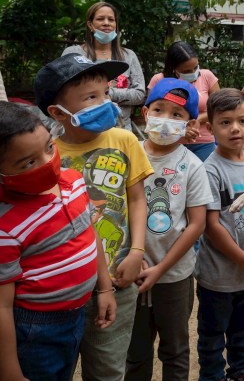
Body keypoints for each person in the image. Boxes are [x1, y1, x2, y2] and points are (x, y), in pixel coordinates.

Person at [34, 53, 153, 381]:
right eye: (90, 97)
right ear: (58, 112)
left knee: (107, 369)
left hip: (118, 278)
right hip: (65, 287)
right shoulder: (48, 156)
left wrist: (138, 251)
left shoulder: (126, 140)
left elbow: (137, 198)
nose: (105, 102)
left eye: (105, 93)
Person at [0, 102, 116, 381]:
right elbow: (2, 306)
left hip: (77, 314)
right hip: (35, 328)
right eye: (28, 162)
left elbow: (92, 235)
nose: (47, 162)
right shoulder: (5, 225)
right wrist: (9, 370)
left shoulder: (74, 182)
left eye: (49, 148)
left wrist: (105, 288)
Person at [125, 78, 212, 380]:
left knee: (175, 350)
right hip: (129, 273)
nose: (166, 120)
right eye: (159, 110)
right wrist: (132, 257)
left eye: (177, 115)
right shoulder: (128, 153)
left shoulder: (192, 166)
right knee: (134, 353)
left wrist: (161, 268)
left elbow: (196, 223)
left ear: (189, 123)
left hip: (174, 275)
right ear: (145, 113)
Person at [195, 88, 244, 381]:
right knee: (212, 339)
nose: (235, 128)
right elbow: (211, 226)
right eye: (225, 122)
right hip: (218, 278)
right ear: (209, 126)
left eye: (242, 120)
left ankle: (241, 374)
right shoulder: (210, 171)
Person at [63, 2, 146, 130]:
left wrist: (106, 93)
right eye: (100, 19)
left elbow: (140, 94)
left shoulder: (129, 56)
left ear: (116, 25)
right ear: (90, 24)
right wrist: (112, 95)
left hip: (121, 130)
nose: (106, 23)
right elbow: (64, 90)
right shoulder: (74, 53)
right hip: (83, 128)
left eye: (111, 19)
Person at [149, 41, 220, 161]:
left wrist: (198, 120)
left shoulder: (207, 76)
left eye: (196, 67)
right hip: (168, 142)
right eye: (187, 71)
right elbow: (153, 114)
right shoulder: (159, 80)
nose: (193, 73)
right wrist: (181, 130)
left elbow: (220, 109)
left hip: (204, 143)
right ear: (173, 68)